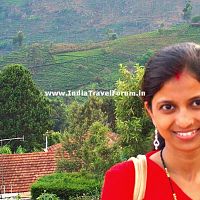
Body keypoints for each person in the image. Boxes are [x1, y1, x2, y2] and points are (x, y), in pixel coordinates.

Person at [101, 42, 200, 200]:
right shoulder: (126, 181)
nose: (184, 121)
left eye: (197, 103)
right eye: (168, 107)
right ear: (151, 112)